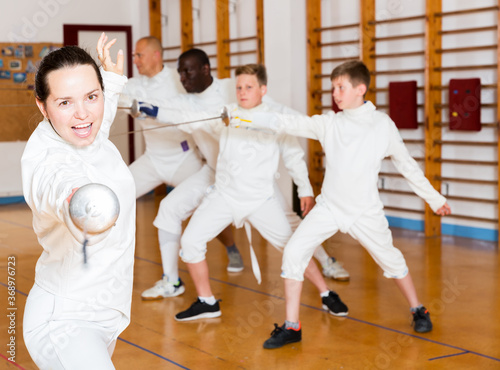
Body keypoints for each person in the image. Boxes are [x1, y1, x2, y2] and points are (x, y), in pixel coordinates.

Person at [243, 60, 452, 348]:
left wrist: (435, 199)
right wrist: (241, 118)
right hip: (328, 208)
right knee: (293, 252)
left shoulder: (382, 126)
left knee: (390, 260)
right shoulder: (330, 123)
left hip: (364, 212)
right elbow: (287, 122)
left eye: (341, 87)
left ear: (360, 89)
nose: (335, 94)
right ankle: (292, 326)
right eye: (333, 88)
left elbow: (408, 166)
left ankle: (418, 308)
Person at [146, 63, 348, 322]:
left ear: (263, 90)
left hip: (260, 200)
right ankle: (207, 302)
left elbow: (294, 156)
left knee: (293, 249)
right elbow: (187, 115)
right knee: (190, 243)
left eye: (249, 87)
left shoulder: (276, 119)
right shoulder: (226, 114)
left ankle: (325, 292)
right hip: (224, 195)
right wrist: (153, 110)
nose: (242, 92)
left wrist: (305, 190)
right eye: (239, 87)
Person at [21, 33, 134, 369]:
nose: (83, 113)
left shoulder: (85, 127)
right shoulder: (46, 159)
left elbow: (98, 116)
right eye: (65, 102)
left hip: (106, 313)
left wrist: (112, 80)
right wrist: (75, 198)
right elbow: (54, 185)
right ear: (43, 106)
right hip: (65, 321)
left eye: (91, 96)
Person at [120, 38, 242, 300]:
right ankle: (169, 280)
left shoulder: (179, 82)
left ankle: (231, 246)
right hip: (152, 159)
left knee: (207, 207)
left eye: (139, 55)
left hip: (183, 157)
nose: (135, 59)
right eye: (134, 55)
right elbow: (114, 98)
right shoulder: (133, 84)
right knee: (119, 192)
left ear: (155, 55)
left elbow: (196, 108)